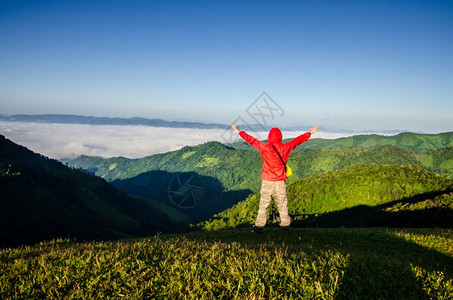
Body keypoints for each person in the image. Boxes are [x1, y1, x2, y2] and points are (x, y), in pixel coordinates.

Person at [231, 124, 319, 232]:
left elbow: (252, 140)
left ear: (269, 138)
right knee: (282, 204)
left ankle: (258, 227)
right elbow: (297, 141)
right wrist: (309, 133)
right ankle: (286, 226)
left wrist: (239, 131)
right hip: (280, 181)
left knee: (263, 205)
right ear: (280, 138)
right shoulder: (286, 148)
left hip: (267, 181)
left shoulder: (265, 148)